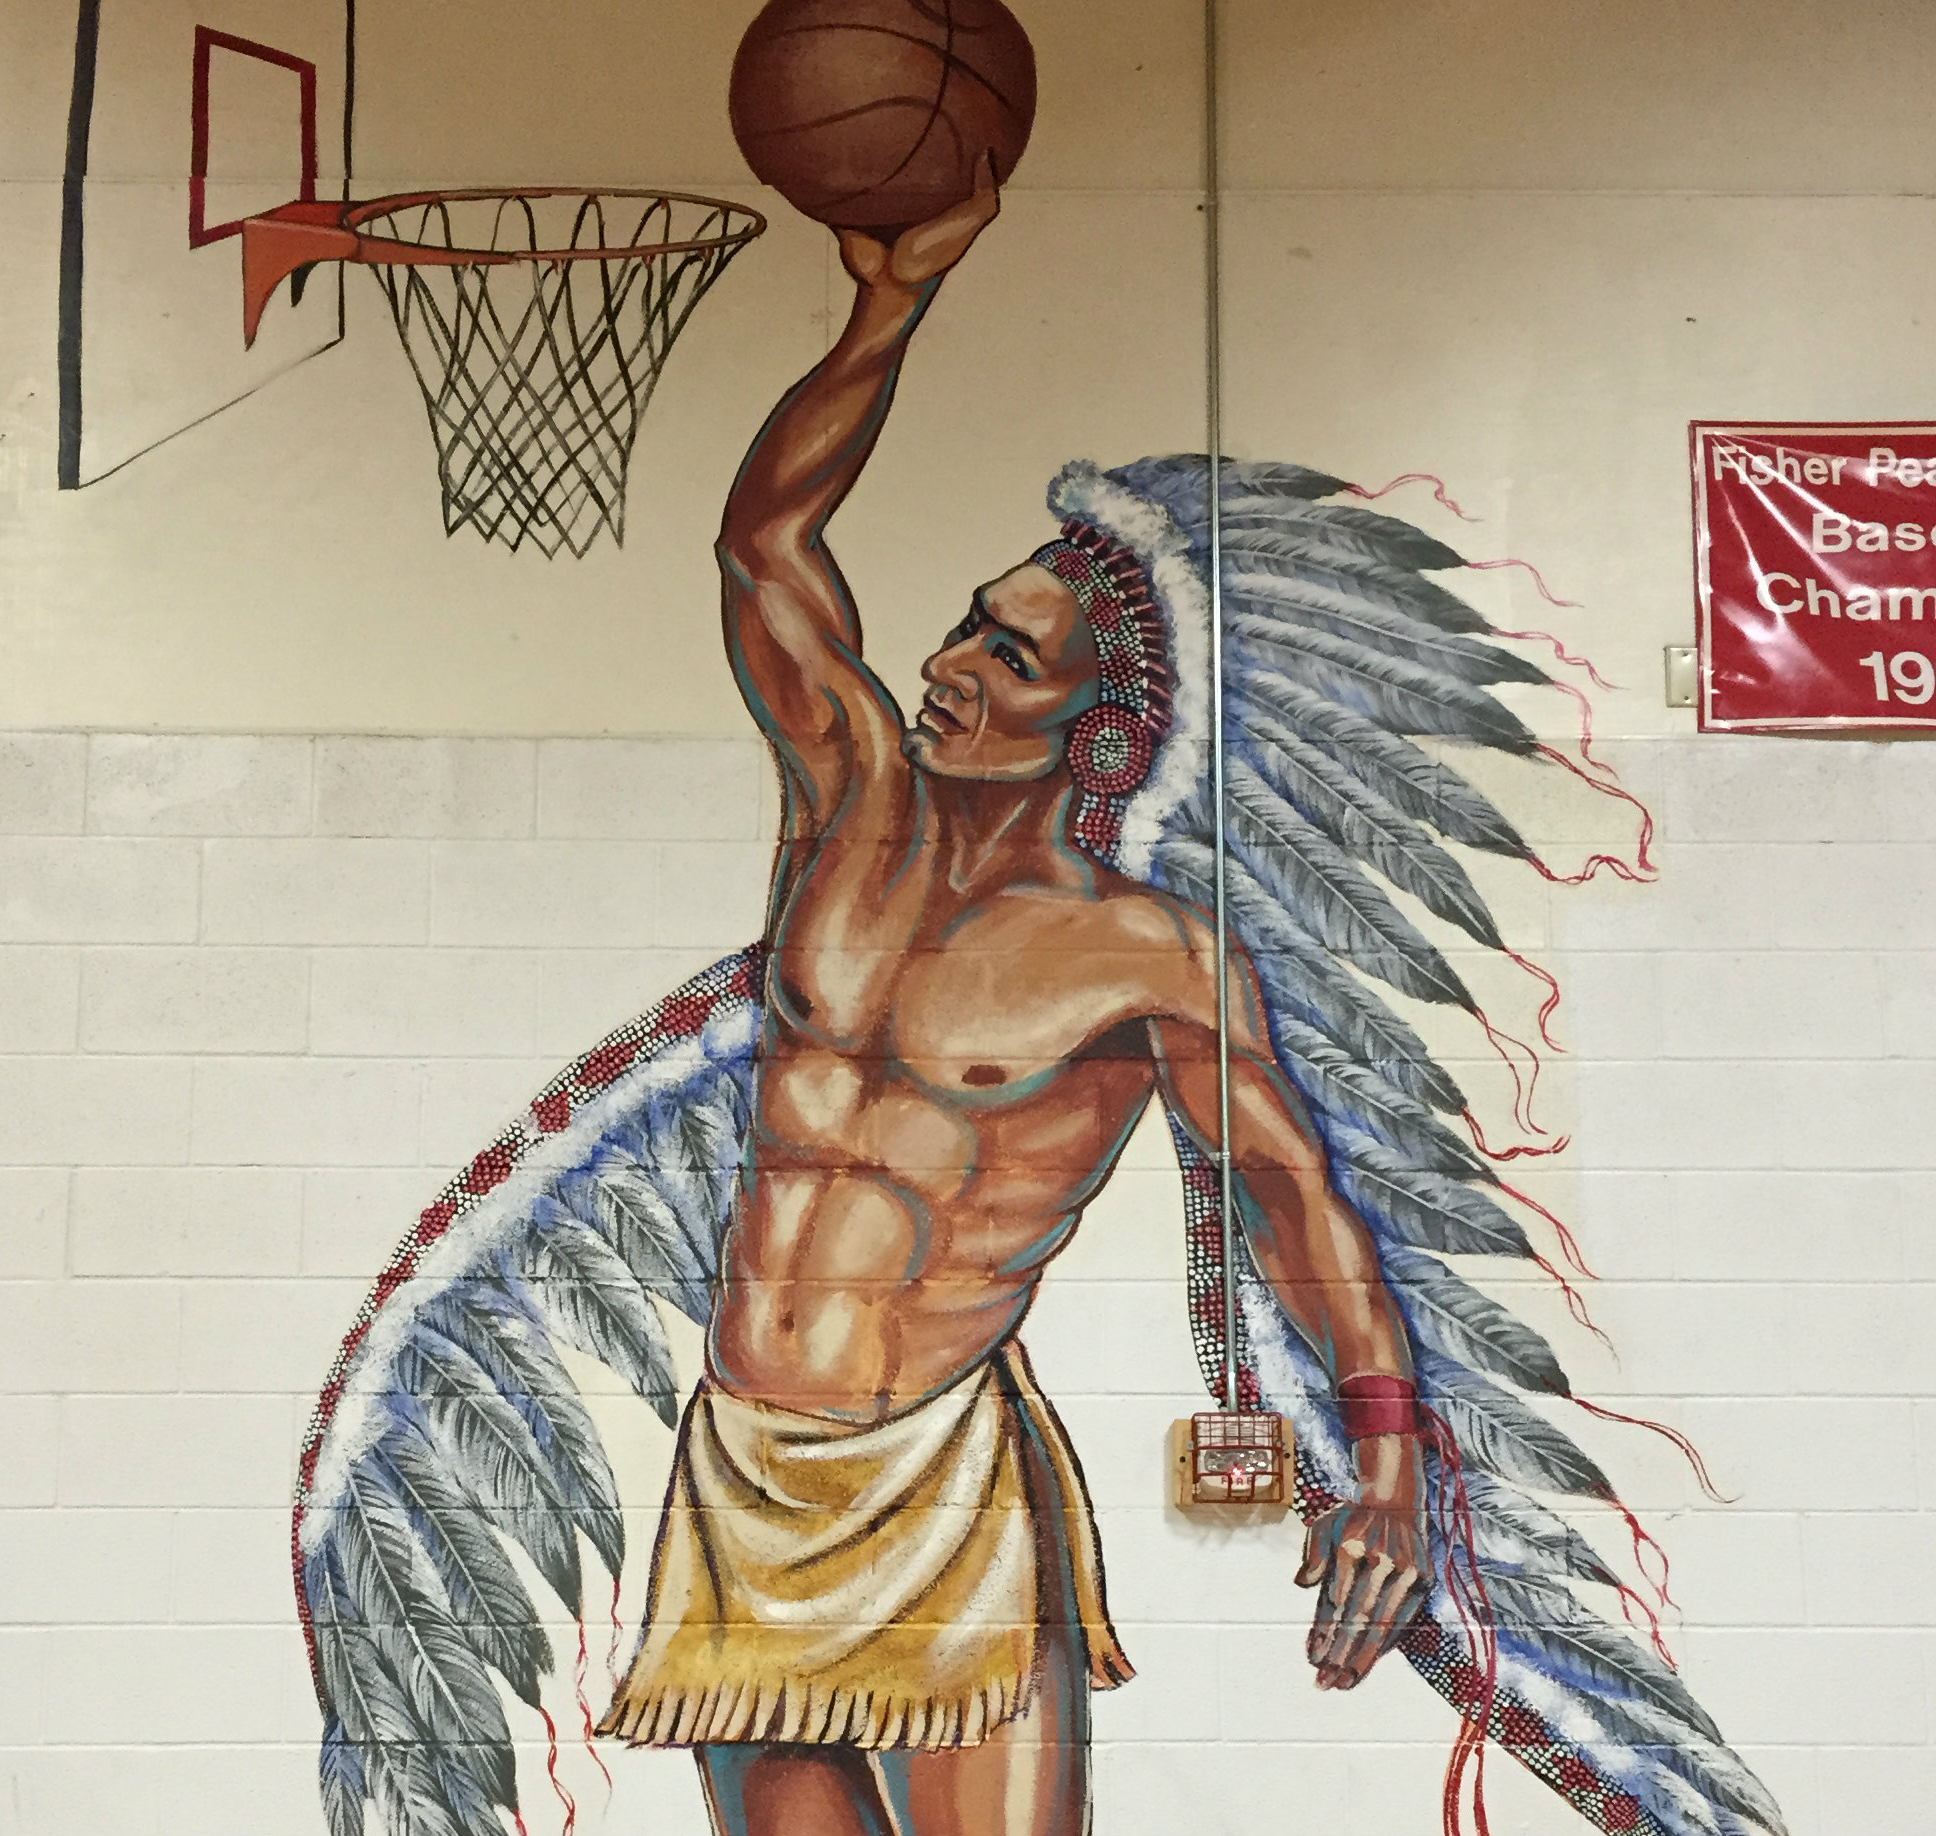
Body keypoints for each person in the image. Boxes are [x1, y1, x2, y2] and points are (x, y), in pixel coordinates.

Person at [595, 161, 1430, 1836]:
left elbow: (1292, 1194)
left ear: (1099, 727)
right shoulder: (848, 810)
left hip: (938, 1477)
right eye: (969, 629)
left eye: (1009, 659)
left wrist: (1392, 1466)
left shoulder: (1149, 956)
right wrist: (885, 309)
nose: (950, 667)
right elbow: (765, 541)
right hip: (745, 1467)